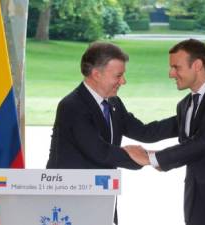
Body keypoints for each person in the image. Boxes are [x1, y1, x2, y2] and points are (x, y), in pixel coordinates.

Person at [125, 39, 205, 225]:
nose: (171, 74)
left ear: (197, 65)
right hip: (196, 194)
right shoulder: (185, 105)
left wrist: (152, 158)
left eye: (176, 67)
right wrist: (113, 107)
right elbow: (150, 132)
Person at [46, 42, 175, 224]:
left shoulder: (114, 103)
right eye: (119, 75)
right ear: (96, 74)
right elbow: (99, 152)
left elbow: (145, 132)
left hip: (102, 194)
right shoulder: (73, 106)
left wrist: (186, 120)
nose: (123, 81)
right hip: (71, 198)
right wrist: (147, 159)